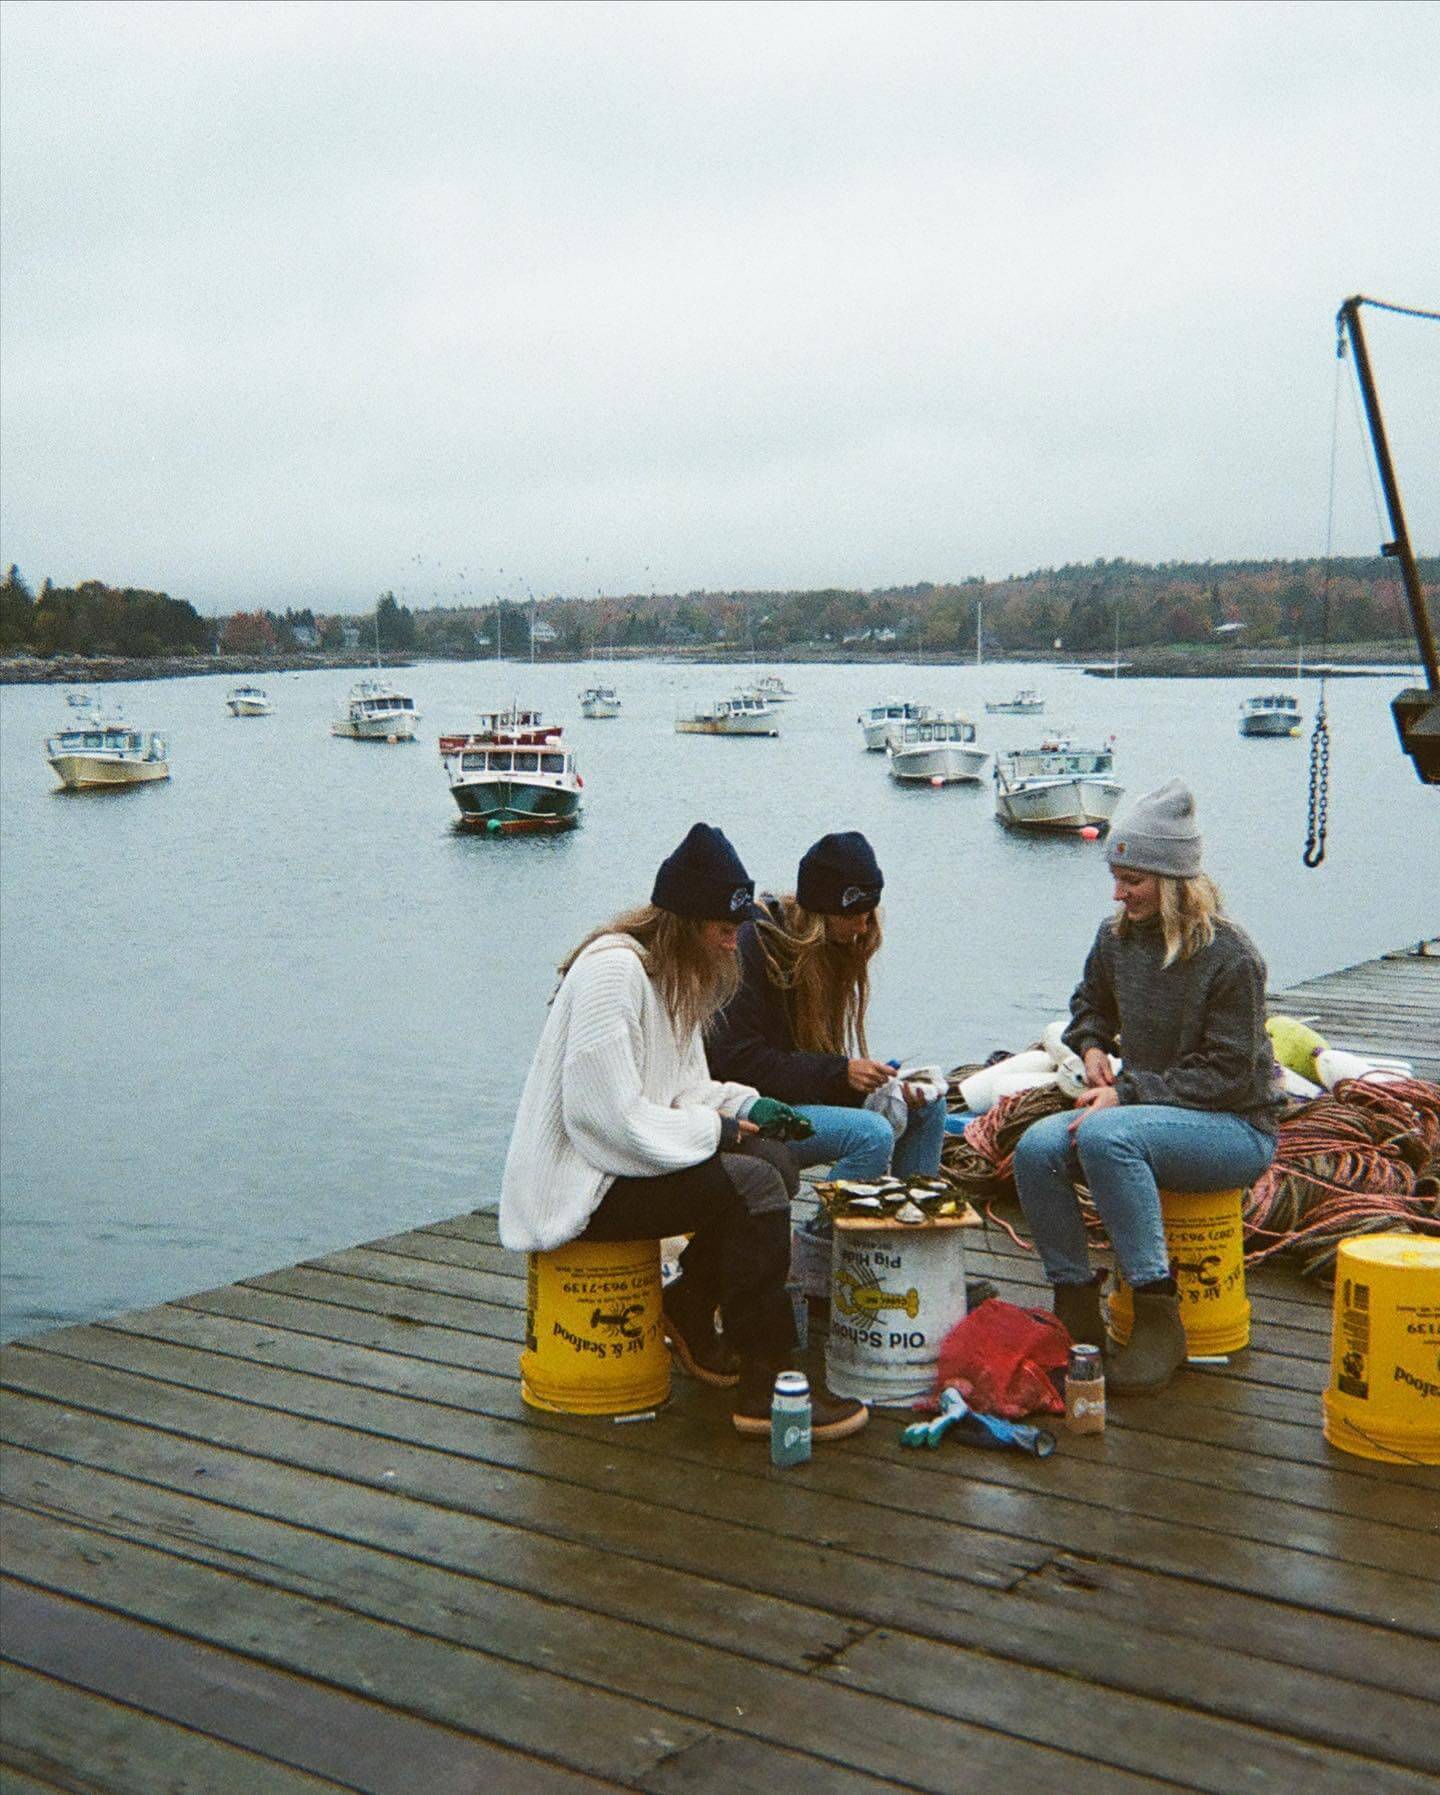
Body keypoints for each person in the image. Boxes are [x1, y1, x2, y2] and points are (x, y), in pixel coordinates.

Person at [499, 822, 868, 1441]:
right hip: (579, 1185)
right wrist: (717, 1130)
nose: (734, 944)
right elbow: (604, 1121)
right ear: (686, 923)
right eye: (724, 930)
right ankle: (767, 1384)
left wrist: (751, 1105)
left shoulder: (673, 977)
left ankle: (691, 1303)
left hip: (619, 1165)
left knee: (774, 1159)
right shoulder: (613, 975)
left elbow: (686, 1087)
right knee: (752, 1184)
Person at [1011, 780, 1280, 1394]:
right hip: (1153, 1114)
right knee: (1036, 1148)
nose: (1118, 892)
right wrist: (1092, 1046)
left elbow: (1229, 1074)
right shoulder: (1116, 939)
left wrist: (1127, 1093)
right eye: (1116, 876)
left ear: (1172, 880)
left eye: (1131, 879)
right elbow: (1089, 1004)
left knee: (1107, 1137)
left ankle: (1159, 1315)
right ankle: (1075, 1306)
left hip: (1236, 1128)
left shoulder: (1232, 957)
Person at [707, 831, 948, 1184]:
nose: (863, 927)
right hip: (744, 1108)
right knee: (872, 1134)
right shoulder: (752, 948)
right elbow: (737, 1062)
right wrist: (840, 1073)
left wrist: (874, 1084)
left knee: (928, 1105)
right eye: (855, 916)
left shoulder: (829, 948)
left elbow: (808, 1066)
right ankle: (831, 1222)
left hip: (793, 1094)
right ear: (823, 912)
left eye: (869, 915)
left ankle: (914, 1210)